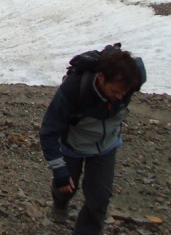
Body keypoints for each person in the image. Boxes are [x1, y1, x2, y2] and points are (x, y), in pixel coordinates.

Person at [39, 45, 146, 234]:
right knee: (65, 187)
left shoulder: (133, 78)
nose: (120, 96)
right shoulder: (74, 88)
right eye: (115, 91)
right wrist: (59, 169)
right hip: (72, 146)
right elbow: (49, 130)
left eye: (124, 92)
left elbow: (136, 68)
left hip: (106, 146)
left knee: (100, 199)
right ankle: (60, 202)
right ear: (102, 78)